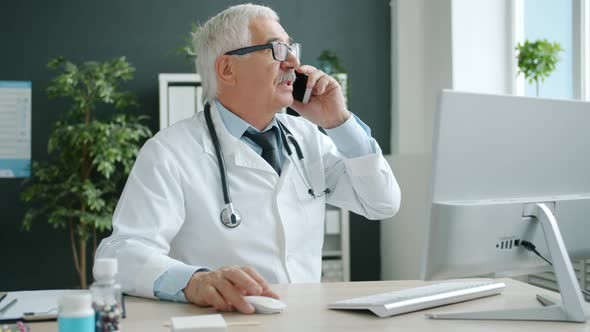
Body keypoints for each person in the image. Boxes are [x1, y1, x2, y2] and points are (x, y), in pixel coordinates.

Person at [96, 3, 400, 314]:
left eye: (292, 48)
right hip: (225, 321)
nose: (294, 61)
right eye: (278, 49)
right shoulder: (169, 152)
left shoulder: (307, 138)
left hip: (303, 318)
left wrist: (339, 122)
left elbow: (381, 203)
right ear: (227, 69)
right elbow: (121, 255)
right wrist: (194, 282)